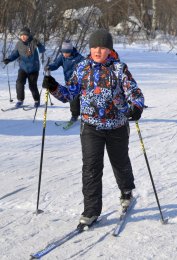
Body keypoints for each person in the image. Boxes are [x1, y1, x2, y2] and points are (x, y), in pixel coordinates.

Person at [42, 29, 144, 226]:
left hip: (117, 126)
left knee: (120, 162)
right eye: (94, 47)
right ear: (90, 48)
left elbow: (135, 92)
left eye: (103, 47)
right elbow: (69, 95)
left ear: (109, 49)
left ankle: (126, 191)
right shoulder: (82, 69)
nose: (98, 51)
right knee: (91, 168)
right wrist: (54, 87)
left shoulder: (119, 69)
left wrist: (136, 107)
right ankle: (91, 210)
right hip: (91, 127)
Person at [3, 27, 45, 108]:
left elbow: (42, 50)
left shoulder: (34, 42)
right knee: (19, 83)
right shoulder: (19, 44)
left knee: (32, 86)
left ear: (28, 35)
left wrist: (39, 44)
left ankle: (37, 100)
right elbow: (15, 54)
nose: (23, 37)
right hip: (23, 68)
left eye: (25, 35)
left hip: (33, 68)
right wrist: (9, 59)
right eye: (22, 35)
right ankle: (20, 100)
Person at [45, 40, 84, 122]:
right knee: (72, 99)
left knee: (78, 98)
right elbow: (55, 65)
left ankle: (84, 114)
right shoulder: (62, 57)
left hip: (78, 82)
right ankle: (75, 115)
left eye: (67, 52)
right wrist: (49, 67)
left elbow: (85, 64)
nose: (65, 54)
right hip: (68, 81)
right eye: (64, 52)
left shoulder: (78, 57)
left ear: (71, 50)